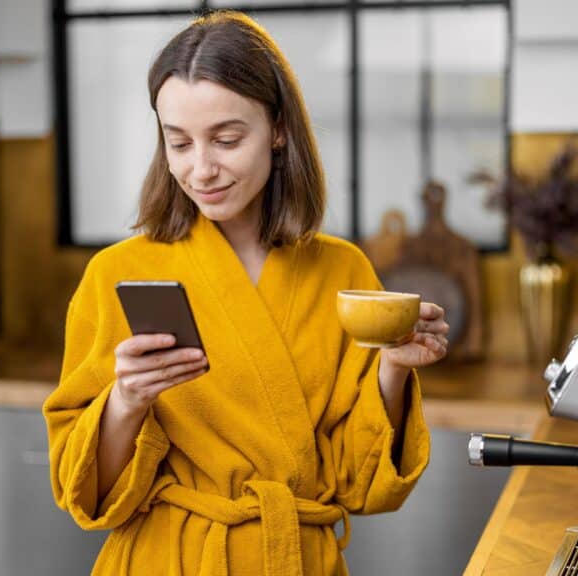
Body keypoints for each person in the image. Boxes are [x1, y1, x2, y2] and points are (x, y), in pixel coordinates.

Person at [43, 11, 449, 575]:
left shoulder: (342, 271)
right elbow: (85, 493)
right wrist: (126, 401)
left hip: (296, 557)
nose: (201, 169)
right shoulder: (115, 274)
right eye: (177, 143)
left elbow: (365, 484)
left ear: (278, 128)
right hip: (170, 560)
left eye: (226, 139)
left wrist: (394, 371)